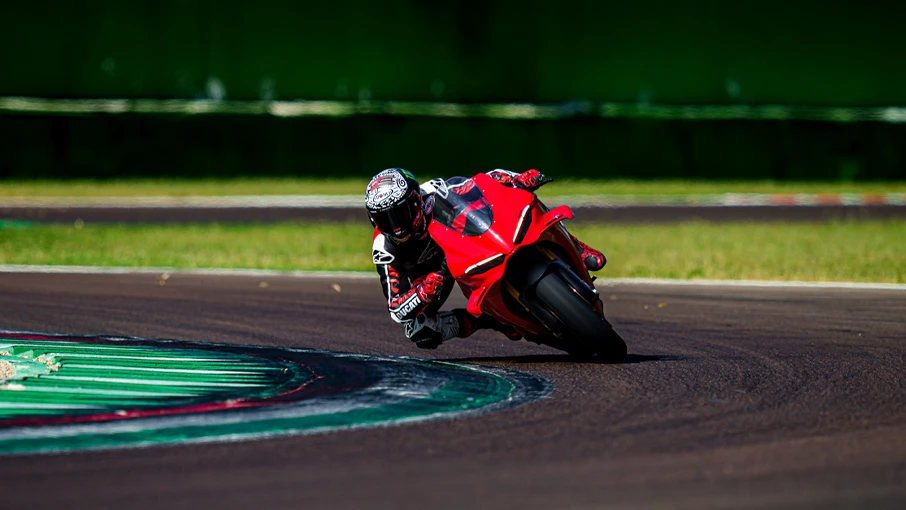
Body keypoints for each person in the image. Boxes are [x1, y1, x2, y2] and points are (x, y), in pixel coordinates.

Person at [365, 167, 606, 349]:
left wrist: (517, 179)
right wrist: (423, 292)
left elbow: (484, 181)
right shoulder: (383, 247)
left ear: (416, 200)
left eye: (400, 214)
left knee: (523, 198)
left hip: (462, 246)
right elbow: (396, 308)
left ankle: (575, 246)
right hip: (435, 277)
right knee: (418, 330)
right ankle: (493, 320)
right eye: (386, 219)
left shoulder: (433, 192)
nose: (396, 227)